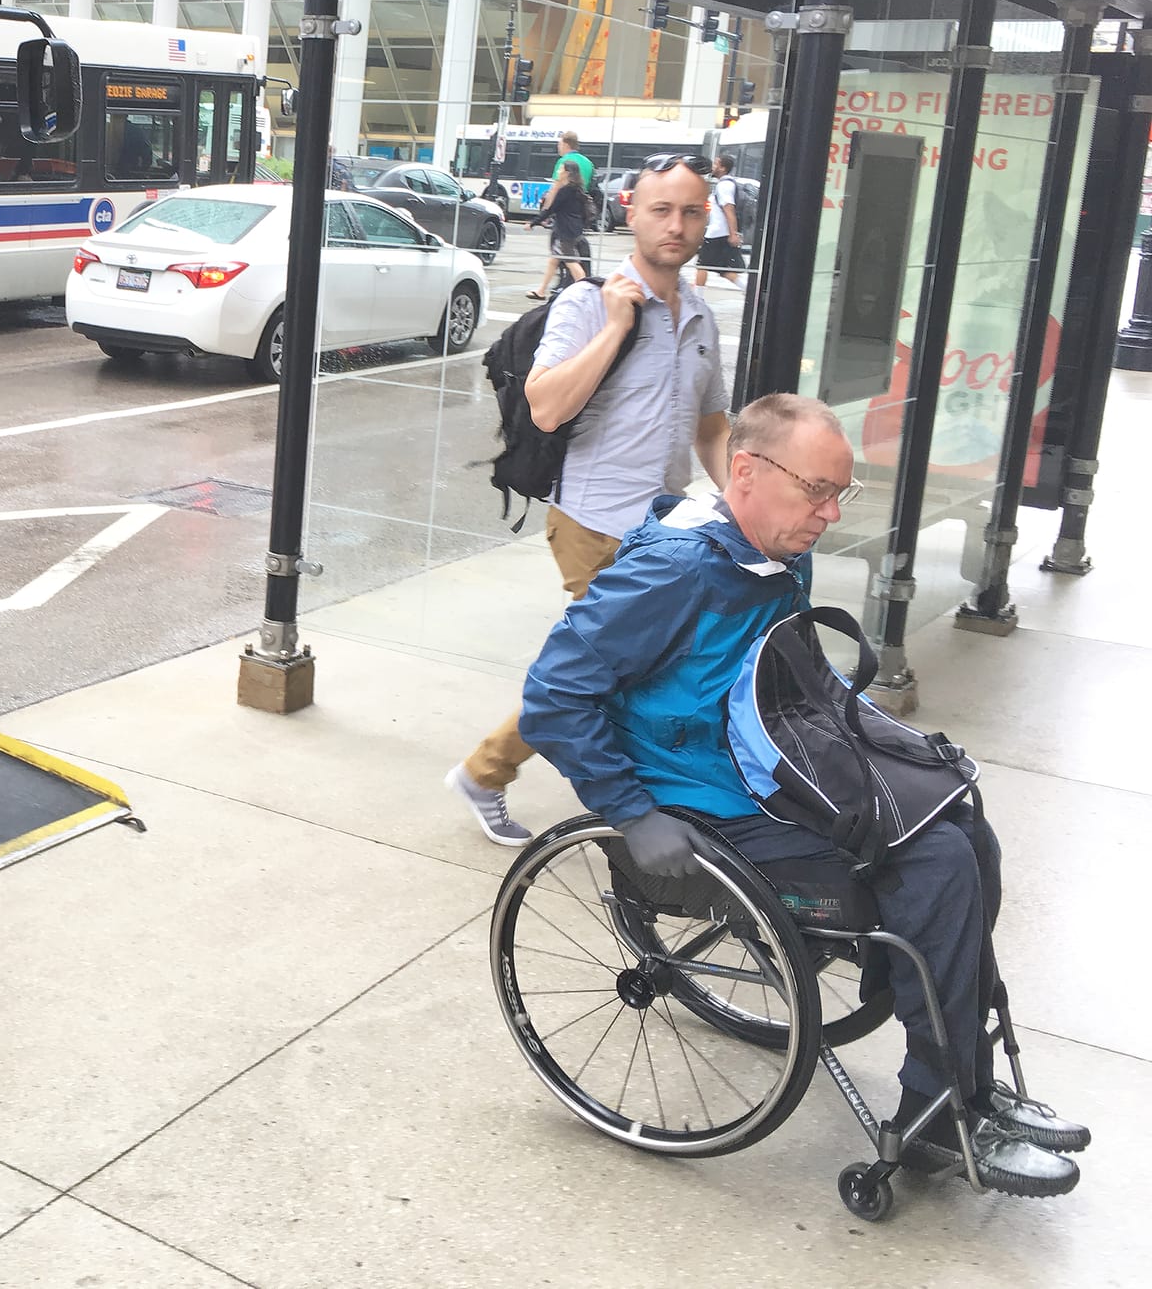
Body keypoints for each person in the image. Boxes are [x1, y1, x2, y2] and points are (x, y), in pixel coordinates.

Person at [516, 393, 1088, 1197]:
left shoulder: (775, 551)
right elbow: (552, 697)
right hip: (699, 809)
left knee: (962, 823)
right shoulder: (673, 571)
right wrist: (629, 811)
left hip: (770, 769)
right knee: (934, 868)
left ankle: (965, 1074)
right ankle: (938, 1110)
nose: (826, 513)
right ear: (744, 471)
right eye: (813, 489)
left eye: (838, 493)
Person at [446, 153, 731, 845]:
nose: (677, 225)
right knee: (602, 677)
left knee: (616, 673)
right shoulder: (585, 302)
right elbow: (545, 408)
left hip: (664, 528)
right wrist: (613, 328)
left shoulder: (698, 316)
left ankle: (493, 773)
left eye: (692, 212)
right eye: (662, 210)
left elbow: (711, 425)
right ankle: (500, 775)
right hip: (593, 524)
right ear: (632, 211)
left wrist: (741, 500)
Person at [526, 165, 591, 299]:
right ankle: (541, 291)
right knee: (553, 261)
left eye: (561, 170)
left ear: (567, 173)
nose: (558, 172)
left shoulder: (565, 191)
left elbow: (550, 209)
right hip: (574, 230)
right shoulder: (578, 190)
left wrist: (533, 223)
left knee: (572, 263)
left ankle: (587, 293)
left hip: (566, 232)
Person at [694, 154, 747, 289]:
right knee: (723, 270)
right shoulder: (726, 184)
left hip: (717, 233)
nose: (713, 167)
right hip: (720, 232)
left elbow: (729, 210)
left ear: (723, 168)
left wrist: (733, 233)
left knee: (702, 265)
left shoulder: (724, 186)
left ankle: (697, 299)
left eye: (716, 164)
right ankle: (749, 289)